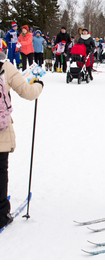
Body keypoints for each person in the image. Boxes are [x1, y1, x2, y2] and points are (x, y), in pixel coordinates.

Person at [0, 51, 44, 229]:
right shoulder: (6, 67)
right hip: (1, 130)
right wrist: (39, 85)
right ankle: (1, 214)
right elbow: (27, 92)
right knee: (0, 171)